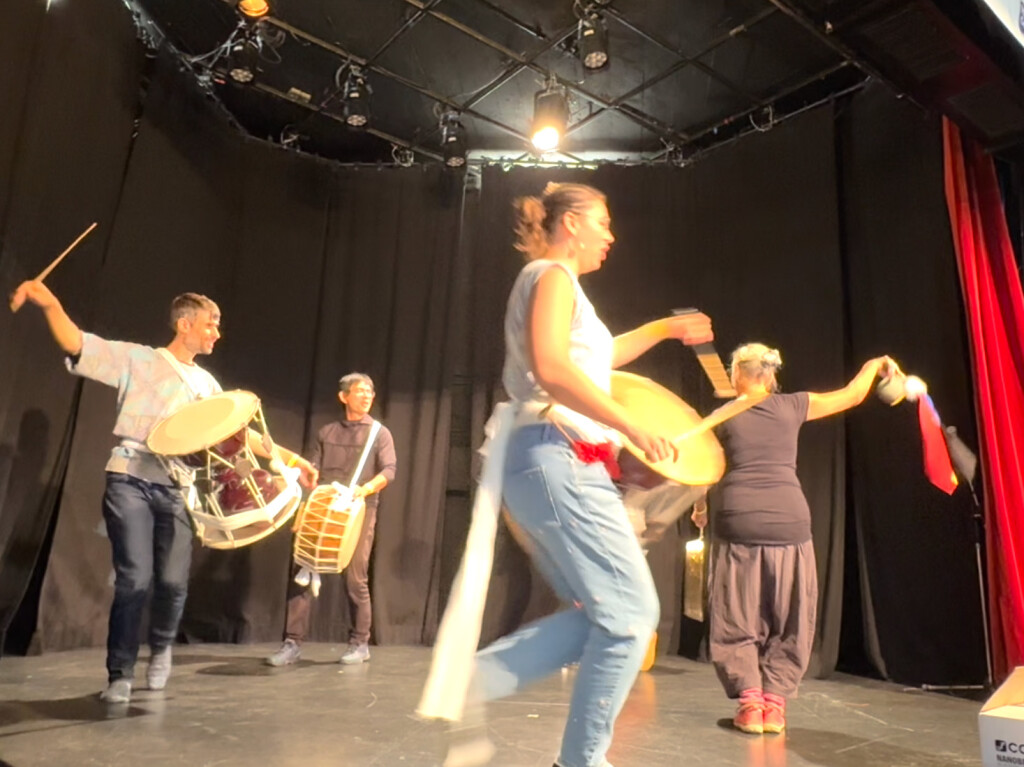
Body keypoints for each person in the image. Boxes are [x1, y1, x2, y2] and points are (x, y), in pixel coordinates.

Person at [419, 182, 714, 767]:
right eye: (602, 222)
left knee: (611, 614)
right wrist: (630, 426)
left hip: (549, 457)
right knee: (630, 616)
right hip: (555, 455)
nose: (611, 235)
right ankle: (568, 751)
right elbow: (554, 368)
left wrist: (663, 330)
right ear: (572, 224)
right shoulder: (551, 276)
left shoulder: (559, 285)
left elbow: (593, 359)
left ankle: (482, 684)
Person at [9, 281, 316, 704]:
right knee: (134, 579)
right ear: (184, 324)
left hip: (178, 488)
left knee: (172, 582)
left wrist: (293, 459)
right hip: (130, 479)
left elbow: (239, 436)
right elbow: (78, 344)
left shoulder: (207, 384)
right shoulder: (138, 360)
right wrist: (49, 303)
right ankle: (120, 673)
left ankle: (161, 648)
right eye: (210, 325)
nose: (217, 333)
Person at [692, 343, 891, 735]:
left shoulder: (722, 415)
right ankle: (775, 707)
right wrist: (874, 364)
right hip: (789, 522)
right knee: (789, 617)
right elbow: (852, 395)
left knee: (737, 615)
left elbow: (703, 467)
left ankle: (751, 705)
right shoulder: (794, 405)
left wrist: (700, 508)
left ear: (737, 374)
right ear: (771, 374)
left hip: (739, 521)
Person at [266, 372, 396, 667]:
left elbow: (389, 470)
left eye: (370, 391)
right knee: (303, 570)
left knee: (355, 577)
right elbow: (314, 468)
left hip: (359, 507)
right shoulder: (327, 432)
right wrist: (302, 482)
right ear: (344, 396)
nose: (367, 396)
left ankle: (360, 643)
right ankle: (292, 643)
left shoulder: (379, 433)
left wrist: (364, 489)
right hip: (324, 504)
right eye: (360, 391)